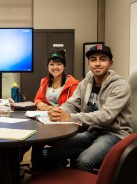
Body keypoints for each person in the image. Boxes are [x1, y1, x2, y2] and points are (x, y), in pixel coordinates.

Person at [46, 44, 133, 173]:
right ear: (89, 63)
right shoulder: (86, 82)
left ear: (111, 63)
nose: (97, 63)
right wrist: (59, 111)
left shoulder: (120, 86)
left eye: (102, 59)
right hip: (92, 130)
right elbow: (71, 104)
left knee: (84, 162)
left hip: (114, 133)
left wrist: (70, 117)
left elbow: (106, 115)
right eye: (93, 59)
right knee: (54, 150)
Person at [20, 47, 79, 165]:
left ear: (64, 66)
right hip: (45, 119)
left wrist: (49, 108)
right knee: (26, 136)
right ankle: (23, 164)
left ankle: (46, 166)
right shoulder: (44, 82)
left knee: (38, 137)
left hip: (62, 122)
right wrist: (42, 105)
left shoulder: (73, 84)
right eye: (51, 64)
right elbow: (38, 99)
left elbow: (72, 106)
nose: (55, 67)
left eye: (59, 64)